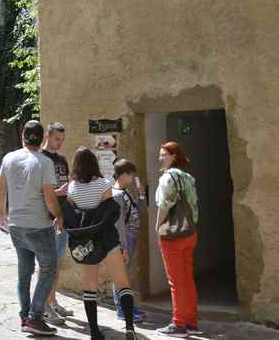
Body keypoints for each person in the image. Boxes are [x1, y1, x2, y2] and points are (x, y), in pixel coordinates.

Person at [0, 119, 64, 336]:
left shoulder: (8, 158)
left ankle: (25, 316)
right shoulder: (44, 162)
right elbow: (50, 197)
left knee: (24, 273)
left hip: (16, 225)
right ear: (43, 137)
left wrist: (2, 218)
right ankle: (35, 317)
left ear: (22, 137)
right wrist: (60, 217)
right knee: (49, 268)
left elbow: (1, 192)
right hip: (39, 226)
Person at [65, 147, 138, 340]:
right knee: (123, 284)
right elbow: (110, 213)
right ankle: (130, 329)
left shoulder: (72, 187)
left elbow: (75, 214)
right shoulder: (104, 184)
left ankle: (95, 332)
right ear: (94, 164)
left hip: (87, 241)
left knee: (89, 287)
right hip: (107, 238)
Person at [155, 141, 200, 337]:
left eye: (164, 154)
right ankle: (190, 321)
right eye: (160, 154)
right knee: (187, 279)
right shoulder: (188, 178)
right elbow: (194, 206)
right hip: (189, 233)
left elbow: (164, 205)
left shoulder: (167, 178)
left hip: (172, 235)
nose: (160, 157)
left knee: (175, 281)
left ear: (174, 156)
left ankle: (179, 323)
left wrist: (158, 227)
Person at [40, 122, 73, 326]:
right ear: (47, 136)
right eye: (56, 139)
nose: (59, 143)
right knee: (46, 265)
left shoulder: (61, 159)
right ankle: (43, 306)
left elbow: (65, 182)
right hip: (45, 218)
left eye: (62, 140)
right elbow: (39, 190)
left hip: (62, 216)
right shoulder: (40, 158)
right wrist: (59, 192)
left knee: (58, 262)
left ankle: (53, 300)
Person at [111, 158, 147, 322]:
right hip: (125, 240)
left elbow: (139, 212)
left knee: (126, 275)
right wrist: (123, 246)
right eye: (131, 175)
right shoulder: (118, 195)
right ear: (124, 175)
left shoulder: (125, 192)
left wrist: (141, 194)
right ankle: (121, 309)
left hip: (130, 237)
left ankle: (128, 306)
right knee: (120, 275)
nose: (133, 178)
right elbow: (118, 224)